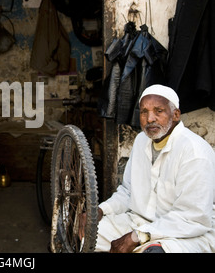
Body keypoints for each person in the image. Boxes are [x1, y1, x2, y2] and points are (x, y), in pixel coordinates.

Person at [80, 84, 215, 253]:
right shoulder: (141, 141)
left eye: (159, 111)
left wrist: (137, 236)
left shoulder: (194, 151)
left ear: (175, 115)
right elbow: (128, 192)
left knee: (153, 252)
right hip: (138, 222)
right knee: (88, 236)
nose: (150, 118)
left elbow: (192, 217)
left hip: (184, 233)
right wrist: (100, 210)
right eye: (144, 111)